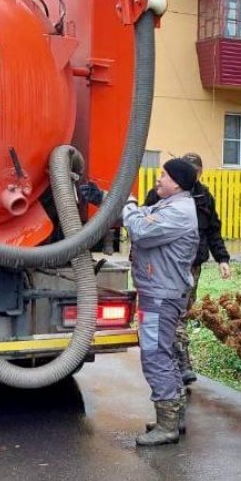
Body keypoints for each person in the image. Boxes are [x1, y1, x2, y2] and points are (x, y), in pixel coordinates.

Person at [78, 158, 199, 446]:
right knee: (165, 354)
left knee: (155, 355)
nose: (158, 179)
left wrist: (128, 202)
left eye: (163, 175)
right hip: (159, 291)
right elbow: (139, 215)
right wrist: (104, 198)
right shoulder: (168, 206)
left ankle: (168, 425)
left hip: (161, 294)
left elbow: (140, 228)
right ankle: (173, 418)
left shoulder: (180, 212)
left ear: (178, 183)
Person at [144, 152, 230, 387]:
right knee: (174, 315)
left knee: (181, 313)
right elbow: (144, 226)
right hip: (165, 266)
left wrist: (222, 259)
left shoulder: (204, 197)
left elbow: (213, 230)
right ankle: (182, 363)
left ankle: (178, 364)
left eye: (197, 170)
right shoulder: (159, 195)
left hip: (192, 266)